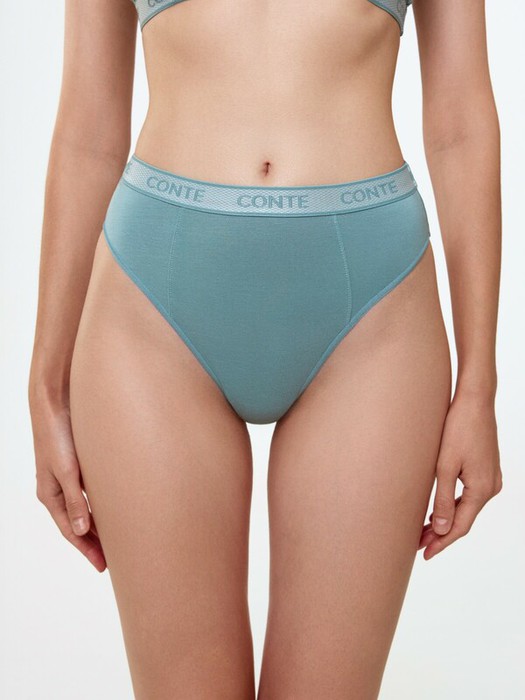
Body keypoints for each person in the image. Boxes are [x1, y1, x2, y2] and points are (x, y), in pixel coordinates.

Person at [28, 0, 503, 697]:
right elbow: (88, 134)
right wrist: (45, 387)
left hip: (373, 315)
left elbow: (461, 123)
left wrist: (479, 386)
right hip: (152, 310)